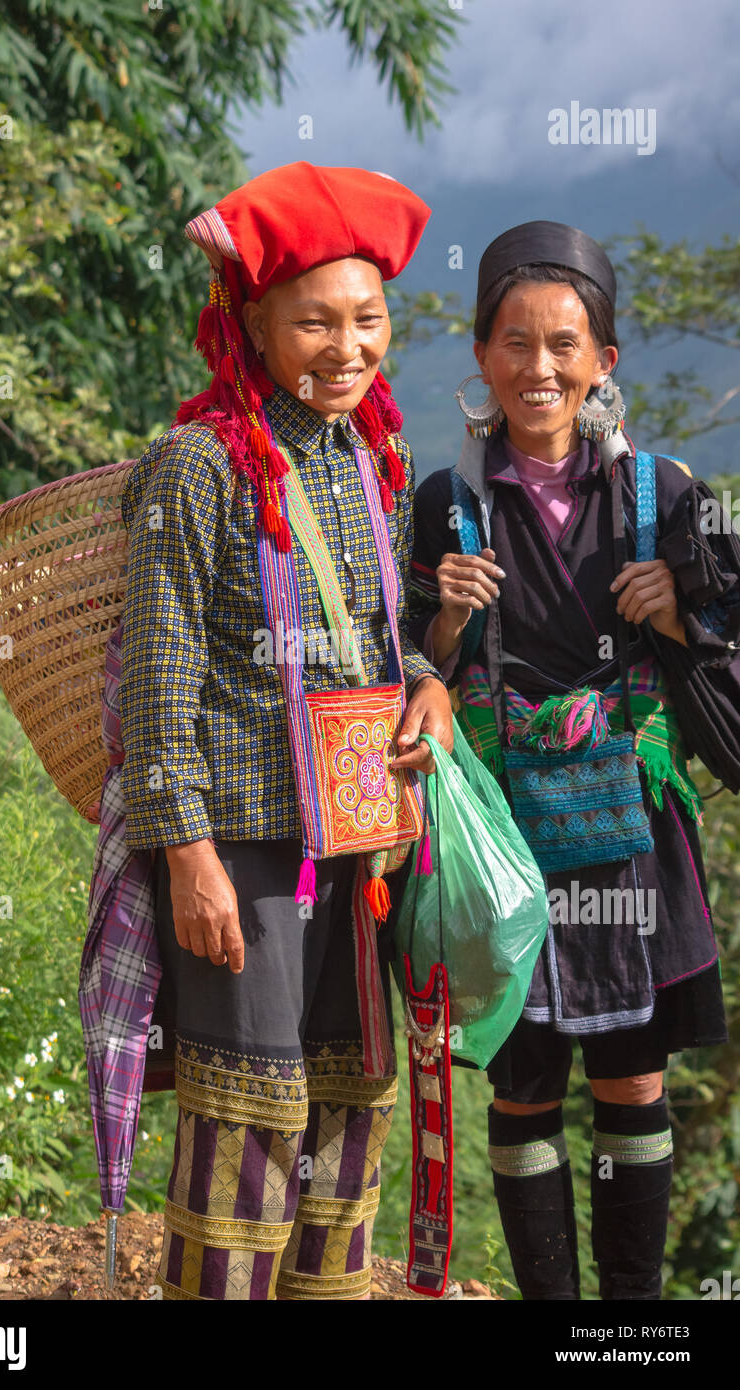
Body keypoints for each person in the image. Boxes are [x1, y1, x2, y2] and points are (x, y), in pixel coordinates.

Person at [117, 162, 454, 1300]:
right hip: (245, 854)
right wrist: (189, 855)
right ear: (250, 320)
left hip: (359, 845)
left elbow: (381, 637)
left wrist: (430, 688)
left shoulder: (374, 461)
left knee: (348, 1111)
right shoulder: (196, 468)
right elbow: (158, 683)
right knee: (248, 1119)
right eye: (314, 320)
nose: (346, 347)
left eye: (367, 319)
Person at [408, 220, 732, 1301]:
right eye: (511, 342)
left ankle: (629, 1316)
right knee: (523, 1081)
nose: (536, 368)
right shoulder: (444, 507)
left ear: (604, 361)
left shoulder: (665, 496)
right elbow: (403, 662)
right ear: (480, 355)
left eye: (562, 345)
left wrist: (676, 618)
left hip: (629, 825)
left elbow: (722, 640)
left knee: (634, 1076)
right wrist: (443, 634)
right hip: (507, 833)